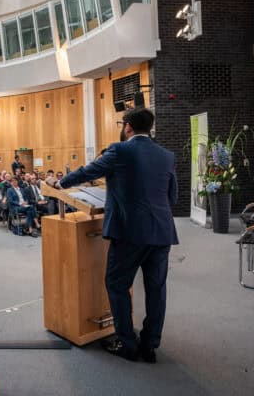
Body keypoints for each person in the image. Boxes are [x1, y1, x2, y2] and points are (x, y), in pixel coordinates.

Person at [50, 108, 178, 363]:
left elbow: (89, 171)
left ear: (128, 126)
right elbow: (172, 195)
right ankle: (150, 345)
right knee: (156, 290)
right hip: (162, 232)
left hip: (130, 233)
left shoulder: (119, 150)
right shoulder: (166, 155)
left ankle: (127, 343)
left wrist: (60, 184)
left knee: (117, 284)